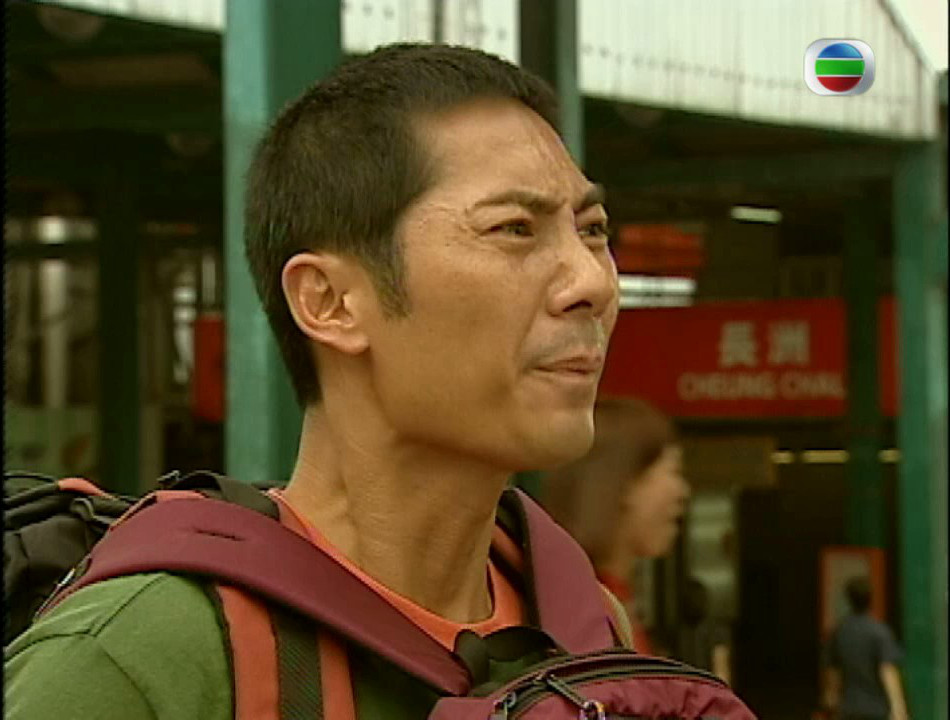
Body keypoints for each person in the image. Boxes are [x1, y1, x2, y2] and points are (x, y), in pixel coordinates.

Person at [4, 43, 621, 718]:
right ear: (329, 302)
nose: (591, 281)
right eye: (515, 229)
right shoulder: (136, 662)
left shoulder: (585, 630)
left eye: (592, 230)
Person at [543, 396, 691, 653]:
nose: (682, 492)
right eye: (673, 471)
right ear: (625, 483)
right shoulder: (587, 614)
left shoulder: (613, 601)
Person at [821, 575, 909, 720]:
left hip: (848, 708)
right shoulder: (879, 632)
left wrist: (831, 697)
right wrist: (898, 707)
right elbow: (887, 671)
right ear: (871, 599)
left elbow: (833, 671)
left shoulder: (839, 632)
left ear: (848, 599)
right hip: (876, 709)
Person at [677, 576, 733, 685]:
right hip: (694, 686)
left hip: (698, 686)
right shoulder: (679, 632)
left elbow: (721, 669)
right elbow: (721, 671)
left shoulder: (716, 631)